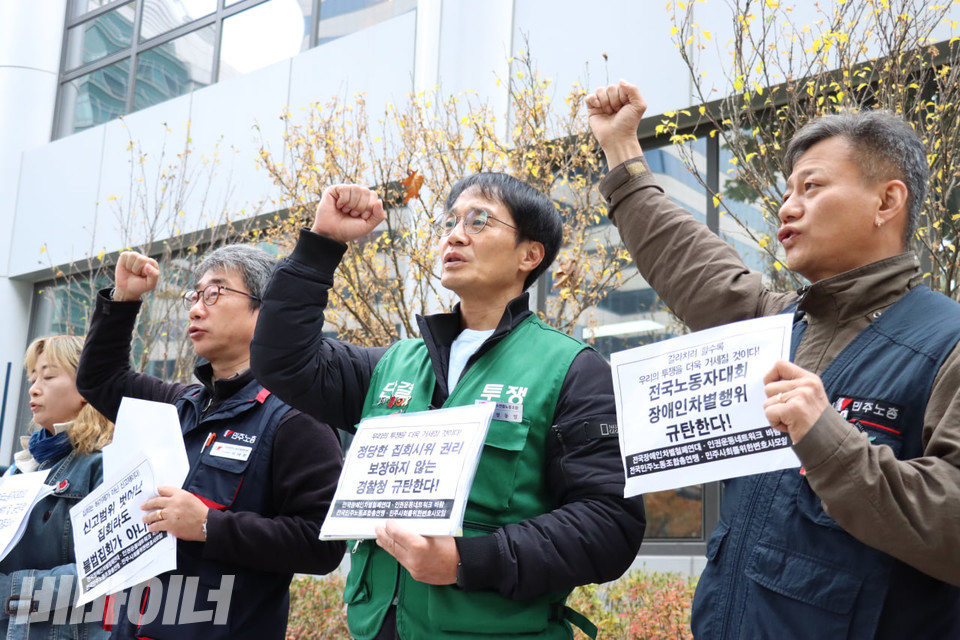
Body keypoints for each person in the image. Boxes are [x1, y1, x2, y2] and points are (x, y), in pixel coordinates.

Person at [587, 79, 960, 638]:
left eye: (811, 187)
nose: (788, 206)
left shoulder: (947, 343)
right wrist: (621, 150)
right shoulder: (777, 325)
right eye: (787, 191)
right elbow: (689, 258)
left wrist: (829, 440)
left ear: (887, 200)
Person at [249, 176, 647, 639]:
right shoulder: (393, 364)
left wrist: (465, 562)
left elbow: (609, 524)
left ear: (529, 255)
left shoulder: (572, 370)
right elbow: (282, 360)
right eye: (451, 221)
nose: (454, 234)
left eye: (479, 220)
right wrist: (323, 243)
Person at [75, 244, 346, 640]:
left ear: (264, 309)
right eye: (195, 295)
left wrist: (209, 525)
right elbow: (100, 380)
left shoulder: (295, 419)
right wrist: (124, 299)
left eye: (215, 293)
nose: (196, 309)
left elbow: (322, 544)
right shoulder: (179, 404)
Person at [1, 335, 114, 639]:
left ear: (87, 388)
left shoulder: (104, 464)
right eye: (33, 377)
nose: (34, 387)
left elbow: (105, 572)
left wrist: (9, 590)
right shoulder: (21, 467)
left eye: (48, 376)